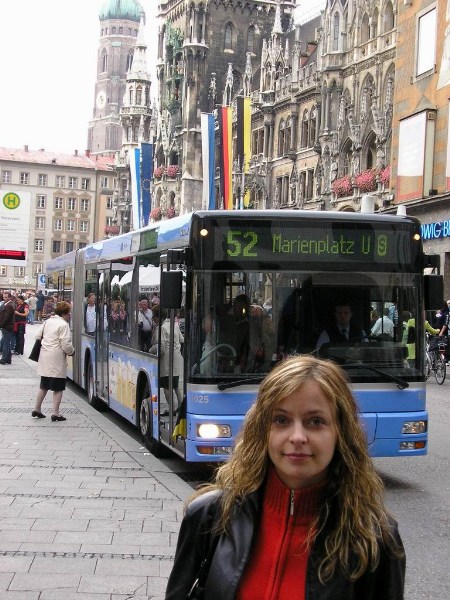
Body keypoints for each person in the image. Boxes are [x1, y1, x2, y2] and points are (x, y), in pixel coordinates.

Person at [165, 356, 405, 599]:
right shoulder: (209, 516)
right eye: (281, 420)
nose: (297, 436)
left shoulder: (376, 538)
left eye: (315, 421)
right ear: (263, 429)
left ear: (340, 432)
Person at [32, 301, 75, 421]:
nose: (70, 315)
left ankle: (37, 409)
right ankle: (55, 413)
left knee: (44, 385)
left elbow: (37, 335)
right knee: (58, 387)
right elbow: (65, 344)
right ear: (64, 313)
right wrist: (72, 352)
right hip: (56, 358)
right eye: (69, 313)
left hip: (45, 355)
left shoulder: (47, 321)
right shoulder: (63, 325)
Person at [150, 307, 184, 415]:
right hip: (176, 357)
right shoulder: (174, 325)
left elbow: (161, 347)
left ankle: (172, 409)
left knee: (166, 386)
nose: (152, 318)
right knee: (175, 385)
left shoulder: (161, 328)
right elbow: (181, 339)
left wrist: (151, 350)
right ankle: (181, 406)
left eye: (153, 316)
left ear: (158, 316)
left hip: (166, 360)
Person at [0, 291, 15, 365]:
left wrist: (1, 325)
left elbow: (6, 317)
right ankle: (8, 359)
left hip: (7, 326)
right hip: (8, 326)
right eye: (3, 297)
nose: (4, 298)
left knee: (6, 343)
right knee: (7, 343)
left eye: (6, 297)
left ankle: (4, 359)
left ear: (9, 297)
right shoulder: (8, 304)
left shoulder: (9, 305)